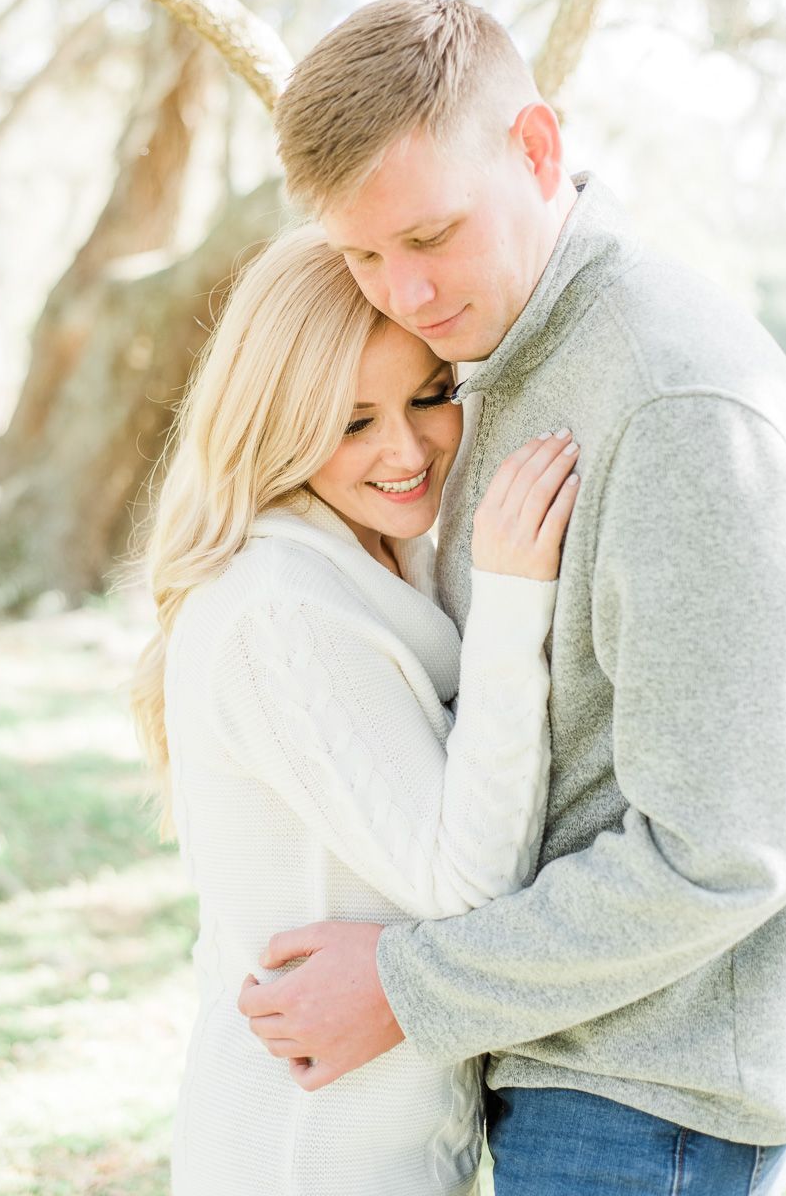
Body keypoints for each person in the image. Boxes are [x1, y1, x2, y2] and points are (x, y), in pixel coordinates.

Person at [237, 0, 786, 1193]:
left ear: (538, 149)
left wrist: (406, 984)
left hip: (655, 1112)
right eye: (363, 257)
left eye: (430, 234)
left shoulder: (672, 400)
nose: (405, 294)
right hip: (563, 1080)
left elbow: (726, 851)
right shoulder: (493, 357)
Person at [131, 223, 580, 1194]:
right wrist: (513, 600)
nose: (407, 449)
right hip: (307, 1156)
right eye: (351, 420)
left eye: (429, 397)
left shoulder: (367, 567)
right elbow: (465, 888)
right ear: (278, 423)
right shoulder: (280, 605)